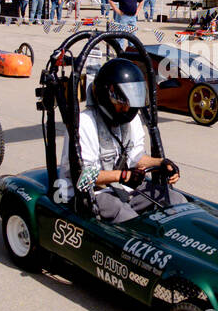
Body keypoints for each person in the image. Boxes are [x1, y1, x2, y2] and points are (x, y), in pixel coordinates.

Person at [70, 58, 184, 224]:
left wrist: (162, 163)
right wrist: (121, 175)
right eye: (122, 103)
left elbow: (135, 157)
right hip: (92, 193)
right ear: (105, 96)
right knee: (128, 218)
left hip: (122, 188)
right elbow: (83, 177)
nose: (127, 109)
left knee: (175, 200)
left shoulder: (131, 119)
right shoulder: (85, 124)